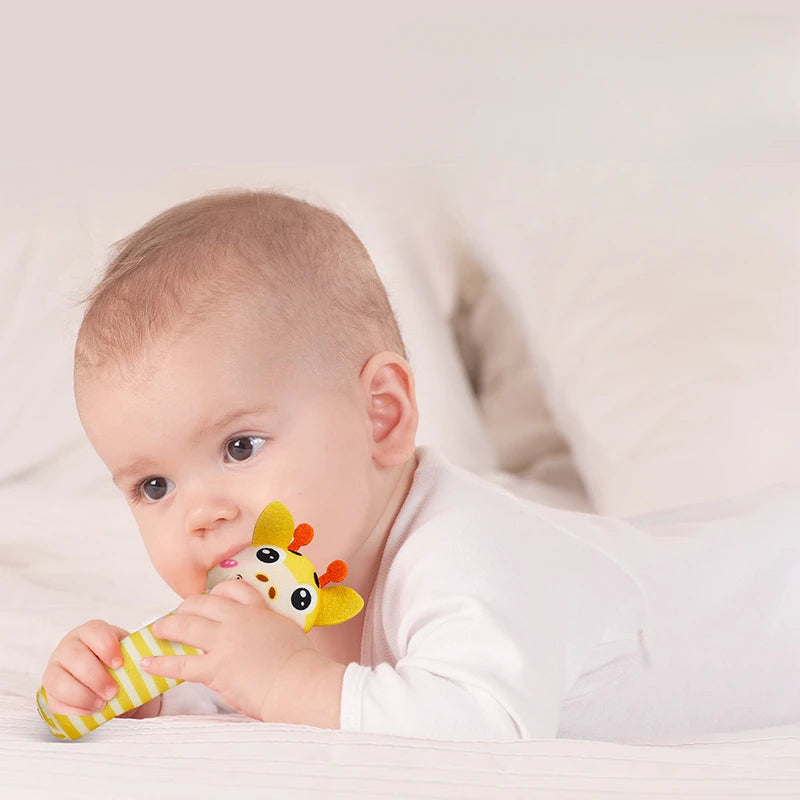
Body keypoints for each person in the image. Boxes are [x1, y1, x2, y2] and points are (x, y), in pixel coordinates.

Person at [41, 190, 800, 742]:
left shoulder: (466, 551)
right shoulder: (308, 580)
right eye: (154, 487)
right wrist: (145, 694)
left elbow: (485, 724)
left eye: (240, 447)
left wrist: (282, 680)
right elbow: (287, 688)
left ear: (382, 415)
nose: (199, 513)